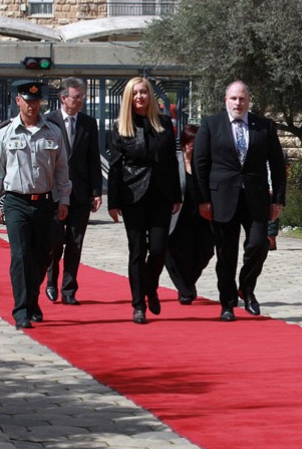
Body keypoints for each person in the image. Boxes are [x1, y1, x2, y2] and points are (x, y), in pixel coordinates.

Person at [194, 80, 286, 322]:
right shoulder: (210, 125)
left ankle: (246, 286)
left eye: (242, 98)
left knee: (259, 245)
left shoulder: (263, 126)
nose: (238, 103)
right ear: (226, 100)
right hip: (221, 199)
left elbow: (277, 165)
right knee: (226, 253)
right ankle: (227, 303)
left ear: (249, 101)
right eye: (234, 98)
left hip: (255, 199)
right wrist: (203, 200)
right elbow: (200, 165)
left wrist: (278, 200)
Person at [0, 80, 72, 329]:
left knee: (42, 257)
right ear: (18, 101)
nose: (32, 105)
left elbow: (61, 170)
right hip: (15, 202)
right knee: (20, 256)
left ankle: (32, 300)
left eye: (36, 101)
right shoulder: (5, 132)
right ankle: (22, 310)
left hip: (45, 203)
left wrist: (64, 199)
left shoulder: (53, 132)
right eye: (27, 100)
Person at [108, 77, 182, 324]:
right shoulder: (121, 126)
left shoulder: (163, 123)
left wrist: (176, 195)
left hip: (160, 195)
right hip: (133, 196)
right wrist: (113, 202)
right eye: (135, 93)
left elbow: (171, 161)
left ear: (150, 96)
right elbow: (116, 167)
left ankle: (150, 287)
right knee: (137, 251)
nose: (140, 96)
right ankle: (138, 304)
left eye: (144, 92)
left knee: (159, 249)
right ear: (129, 97)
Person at [45, 77, 102, 306]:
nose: (79, 102)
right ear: (63, 98)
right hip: (55, 193)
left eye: (82, 98)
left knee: (75, 242)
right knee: (55, 242)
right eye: (75, 97)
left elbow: (93, 160)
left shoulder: (89, 123)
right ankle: (51, 282)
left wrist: (96, 191)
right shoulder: (49, 120)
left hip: (80, 192)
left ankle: (69, 289)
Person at [165, 124, 215, 305]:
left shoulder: (206, 163)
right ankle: (184, 289)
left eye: (197, 142)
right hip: (179, 217)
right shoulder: (174, 161)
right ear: (184, 143)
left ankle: (188, 283)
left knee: (205, 252)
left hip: (203, 217)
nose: (193, 145)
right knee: (174, 254)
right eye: (190, 142)